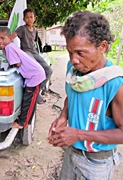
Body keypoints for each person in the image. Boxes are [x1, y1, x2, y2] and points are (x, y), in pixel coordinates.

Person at [47, 10, 123, 180]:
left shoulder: (114, 82)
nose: (74, 59)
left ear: (102, 47)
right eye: (70, 52)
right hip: (71, 154)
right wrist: (63, 116)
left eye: (81, 53)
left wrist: (79, 134)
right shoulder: (73, 71)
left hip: (96, 165)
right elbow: (71, 96)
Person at [0, 27, 46, 129]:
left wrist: (8, 72)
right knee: (29, 99)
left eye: (2, 38)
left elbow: (16, 63)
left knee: (29, 100)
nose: (0, 41)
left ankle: (22, 123)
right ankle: (24, 119)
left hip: (34, 76)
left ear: (10, 38)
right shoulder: (9, 47)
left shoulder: (9, 47)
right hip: (32, 75)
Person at [12, 8, 53, 104]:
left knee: (48, 70)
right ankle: (31, 92)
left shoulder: (35, 31)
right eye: (27, 17)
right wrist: (14, 52)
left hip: (35, 53)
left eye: (31, 17)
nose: (29, 19)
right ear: (23, 19)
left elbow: (34, 43)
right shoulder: (21, 29)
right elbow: (11, 37)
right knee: (36, 71)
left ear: (35, 18)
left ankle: (36, 92)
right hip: (26, 54)